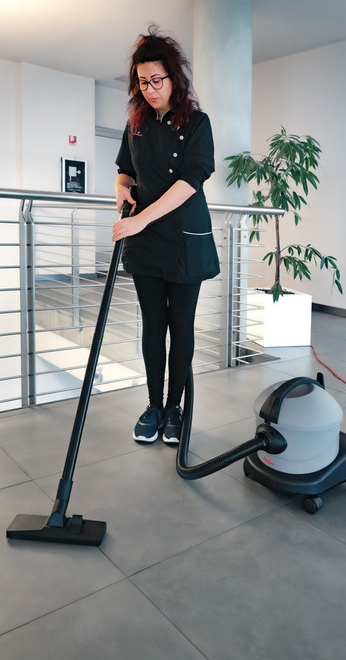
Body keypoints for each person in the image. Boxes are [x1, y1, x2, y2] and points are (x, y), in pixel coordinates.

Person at [112, 26, 219, 445]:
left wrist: (141, 219)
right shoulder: (136, 123)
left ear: (174, 78)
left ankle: (175, 407)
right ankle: (154, 405)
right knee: (153, 325)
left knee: (182, 325)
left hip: (184, 238)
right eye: (143, 82)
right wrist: (121, 189)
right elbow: (126, 170)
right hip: (147, 242)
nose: (151, 89)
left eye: (157, 80)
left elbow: (191, 180)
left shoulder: (197, 123)